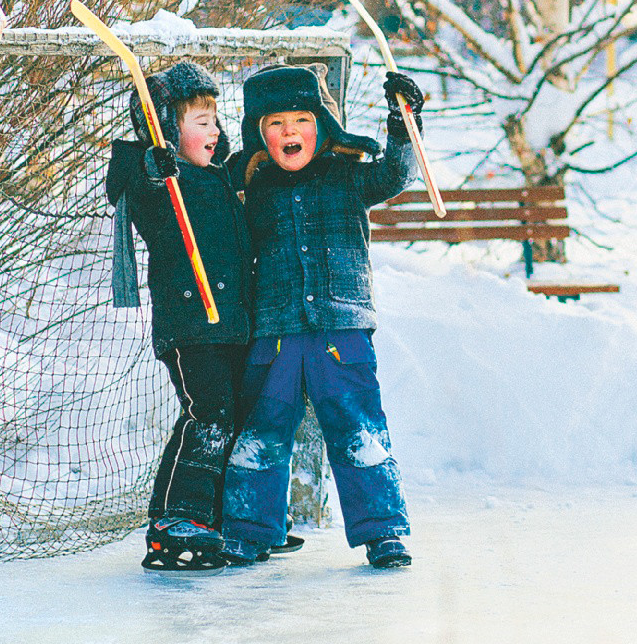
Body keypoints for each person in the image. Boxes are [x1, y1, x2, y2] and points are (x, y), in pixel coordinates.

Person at [220, 63, 423, 569]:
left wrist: (402, 124)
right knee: (262, 432)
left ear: (322, 125)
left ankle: (383, 531)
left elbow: (398, 174)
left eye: (301, 120)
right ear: (259, 135)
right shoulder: (250, 188)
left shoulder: (349, 176)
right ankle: (249, 529)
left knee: (358, 429)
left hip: (342, 330)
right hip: (274, 332)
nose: (289, 131)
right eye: (275, 123)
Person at [105, 62, 251, 573]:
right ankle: (174, 518)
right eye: (200, 121)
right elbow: (137, 191)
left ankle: (220, 517)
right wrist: (155, 168)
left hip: (231, 321)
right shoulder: (156, 175)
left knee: (231, 416)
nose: (214, 131)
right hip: (190, 323)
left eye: (215, 120)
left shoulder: (218, 177)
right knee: (207, 413)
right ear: (167, 128)